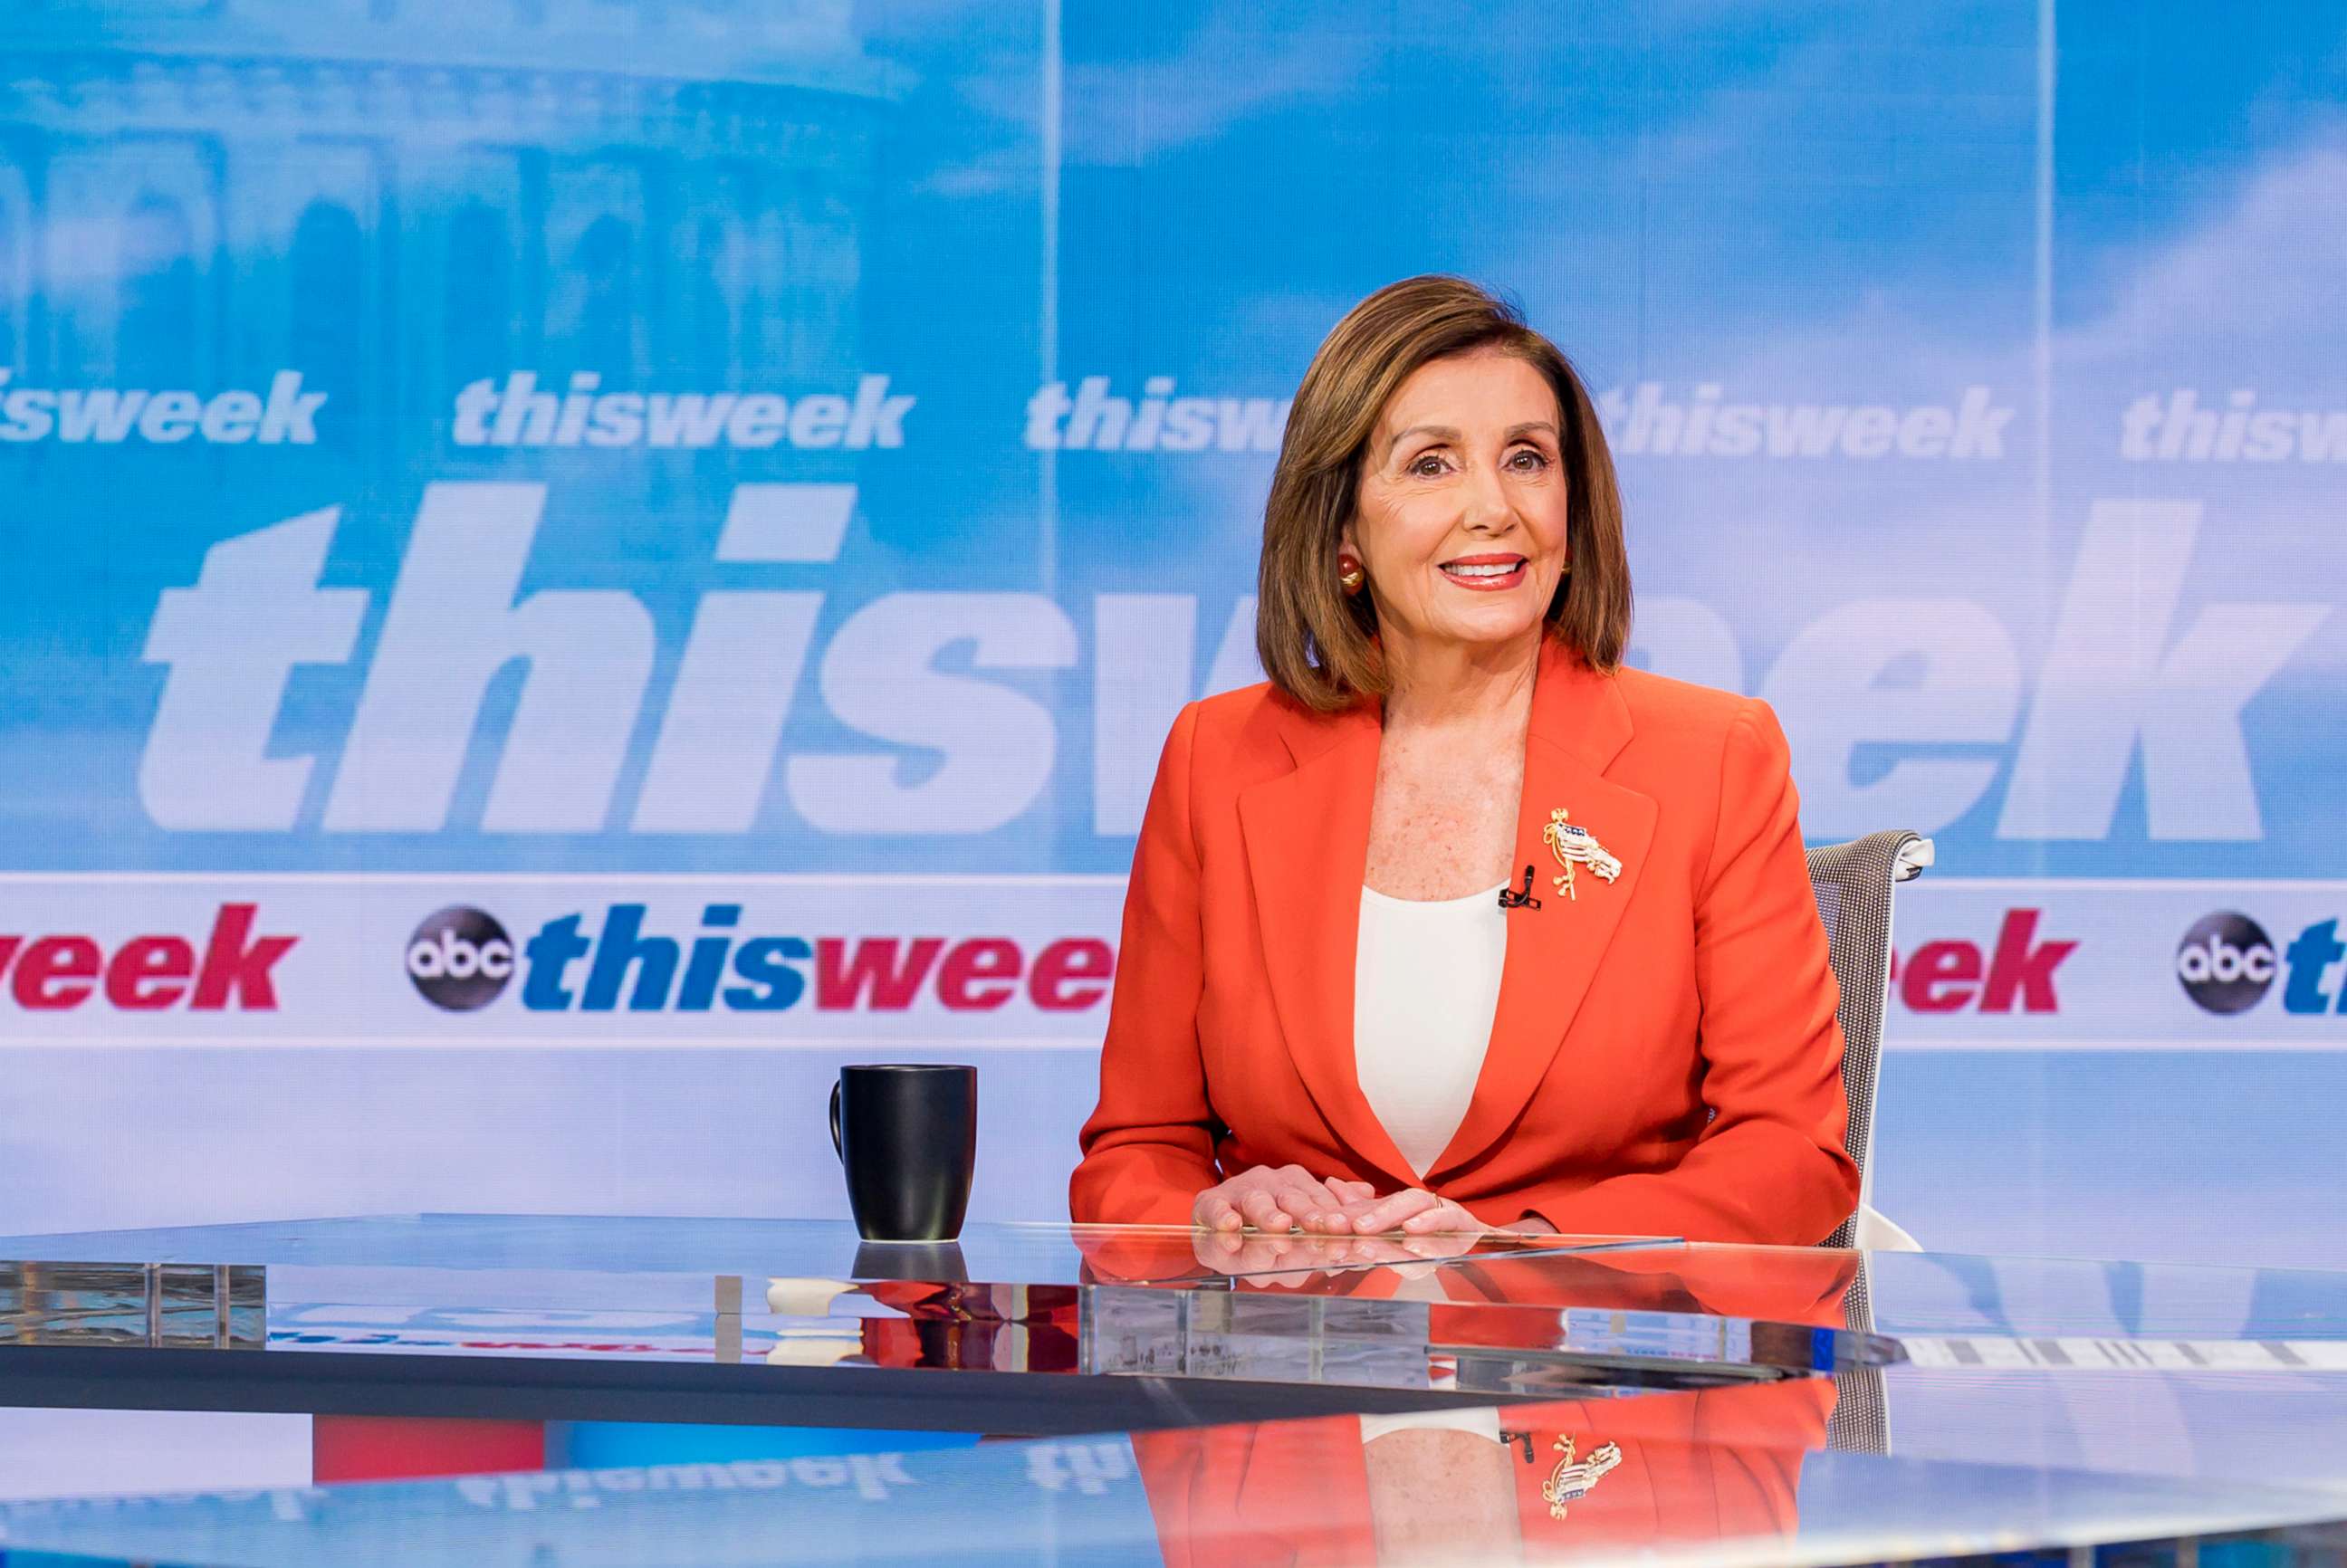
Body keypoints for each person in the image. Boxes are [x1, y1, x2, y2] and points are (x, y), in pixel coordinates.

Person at [1069, 275, 1857, 1246]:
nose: (1494, 506)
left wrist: (1530, 1246)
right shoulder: (1216, 760)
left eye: (1527, 458)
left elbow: (1793, 1158)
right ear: (1344, 529)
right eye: (1432, 464)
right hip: (1302, 1364)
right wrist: (1205, 1215)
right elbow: (1134, 1152)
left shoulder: (1713, 758)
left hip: (1593, 1373)